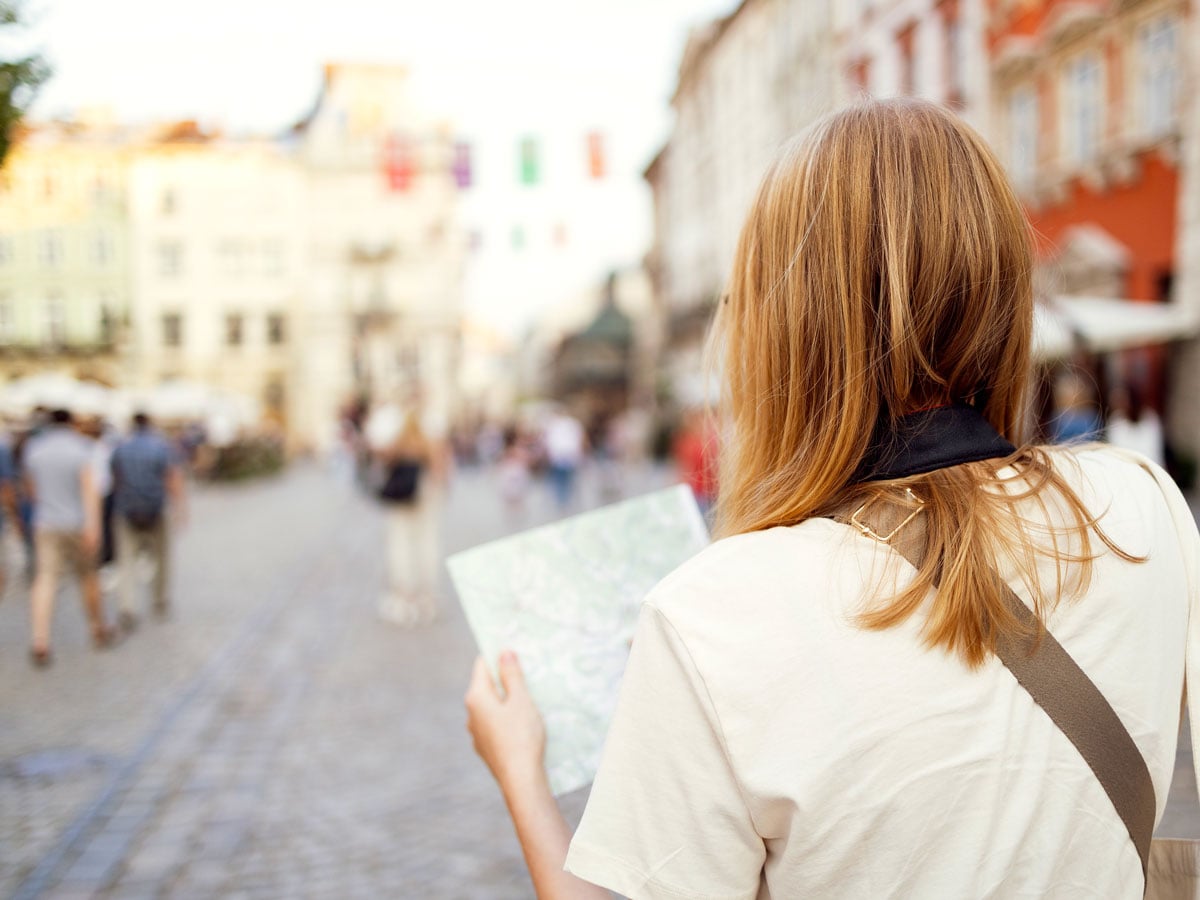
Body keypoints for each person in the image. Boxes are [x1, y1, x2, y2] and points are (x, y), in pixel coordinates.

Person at [464, 99, 1200, 898]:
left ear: (780, 326)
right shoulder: (1139, 506)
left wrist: (520, 774)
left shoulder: (714, 611)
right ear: (998, 284)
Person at [24, 408, 114, 666]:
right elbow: (90, 491)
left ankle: (40, 639)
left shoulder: (35, 449)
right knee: (88, 578)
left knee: (45, 579)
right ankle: (97, 628)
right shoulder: (82, 448)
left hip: (46, 523)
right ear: (71, 423)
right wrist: (94, 527)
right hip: (77, 523)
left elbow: (31, 490)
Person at [110, 412, 186, 630]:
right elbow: (172, 477)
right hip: (156, 509)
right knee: (161, 558)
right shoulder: (161, 447)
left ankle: (127, 607)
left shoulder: (121, 448)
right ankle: (159, 600)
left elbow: (115, 480)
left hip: (126, 510)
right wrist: (180, 509)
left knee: (125, 559)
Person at [376, 409, 446, 627]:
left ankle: (405, 595)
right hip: (426, 494)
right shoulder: (428, 441)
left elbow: (383, 461)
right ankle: (426, 597)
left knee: (400, 543)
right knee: (427, 542)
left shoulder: (400, 441)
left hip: (403, 499)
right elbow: (439, 469)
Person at [542, 409, 586, 512]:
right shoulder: (572, 424)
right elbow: (581, 439)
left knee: (561, 481)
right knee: (568, 479)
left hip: (559, 456)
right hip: (569, 455)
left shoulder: (554, 424)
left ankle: (562, 501)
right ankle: (567, 500)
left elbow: (548, 441)